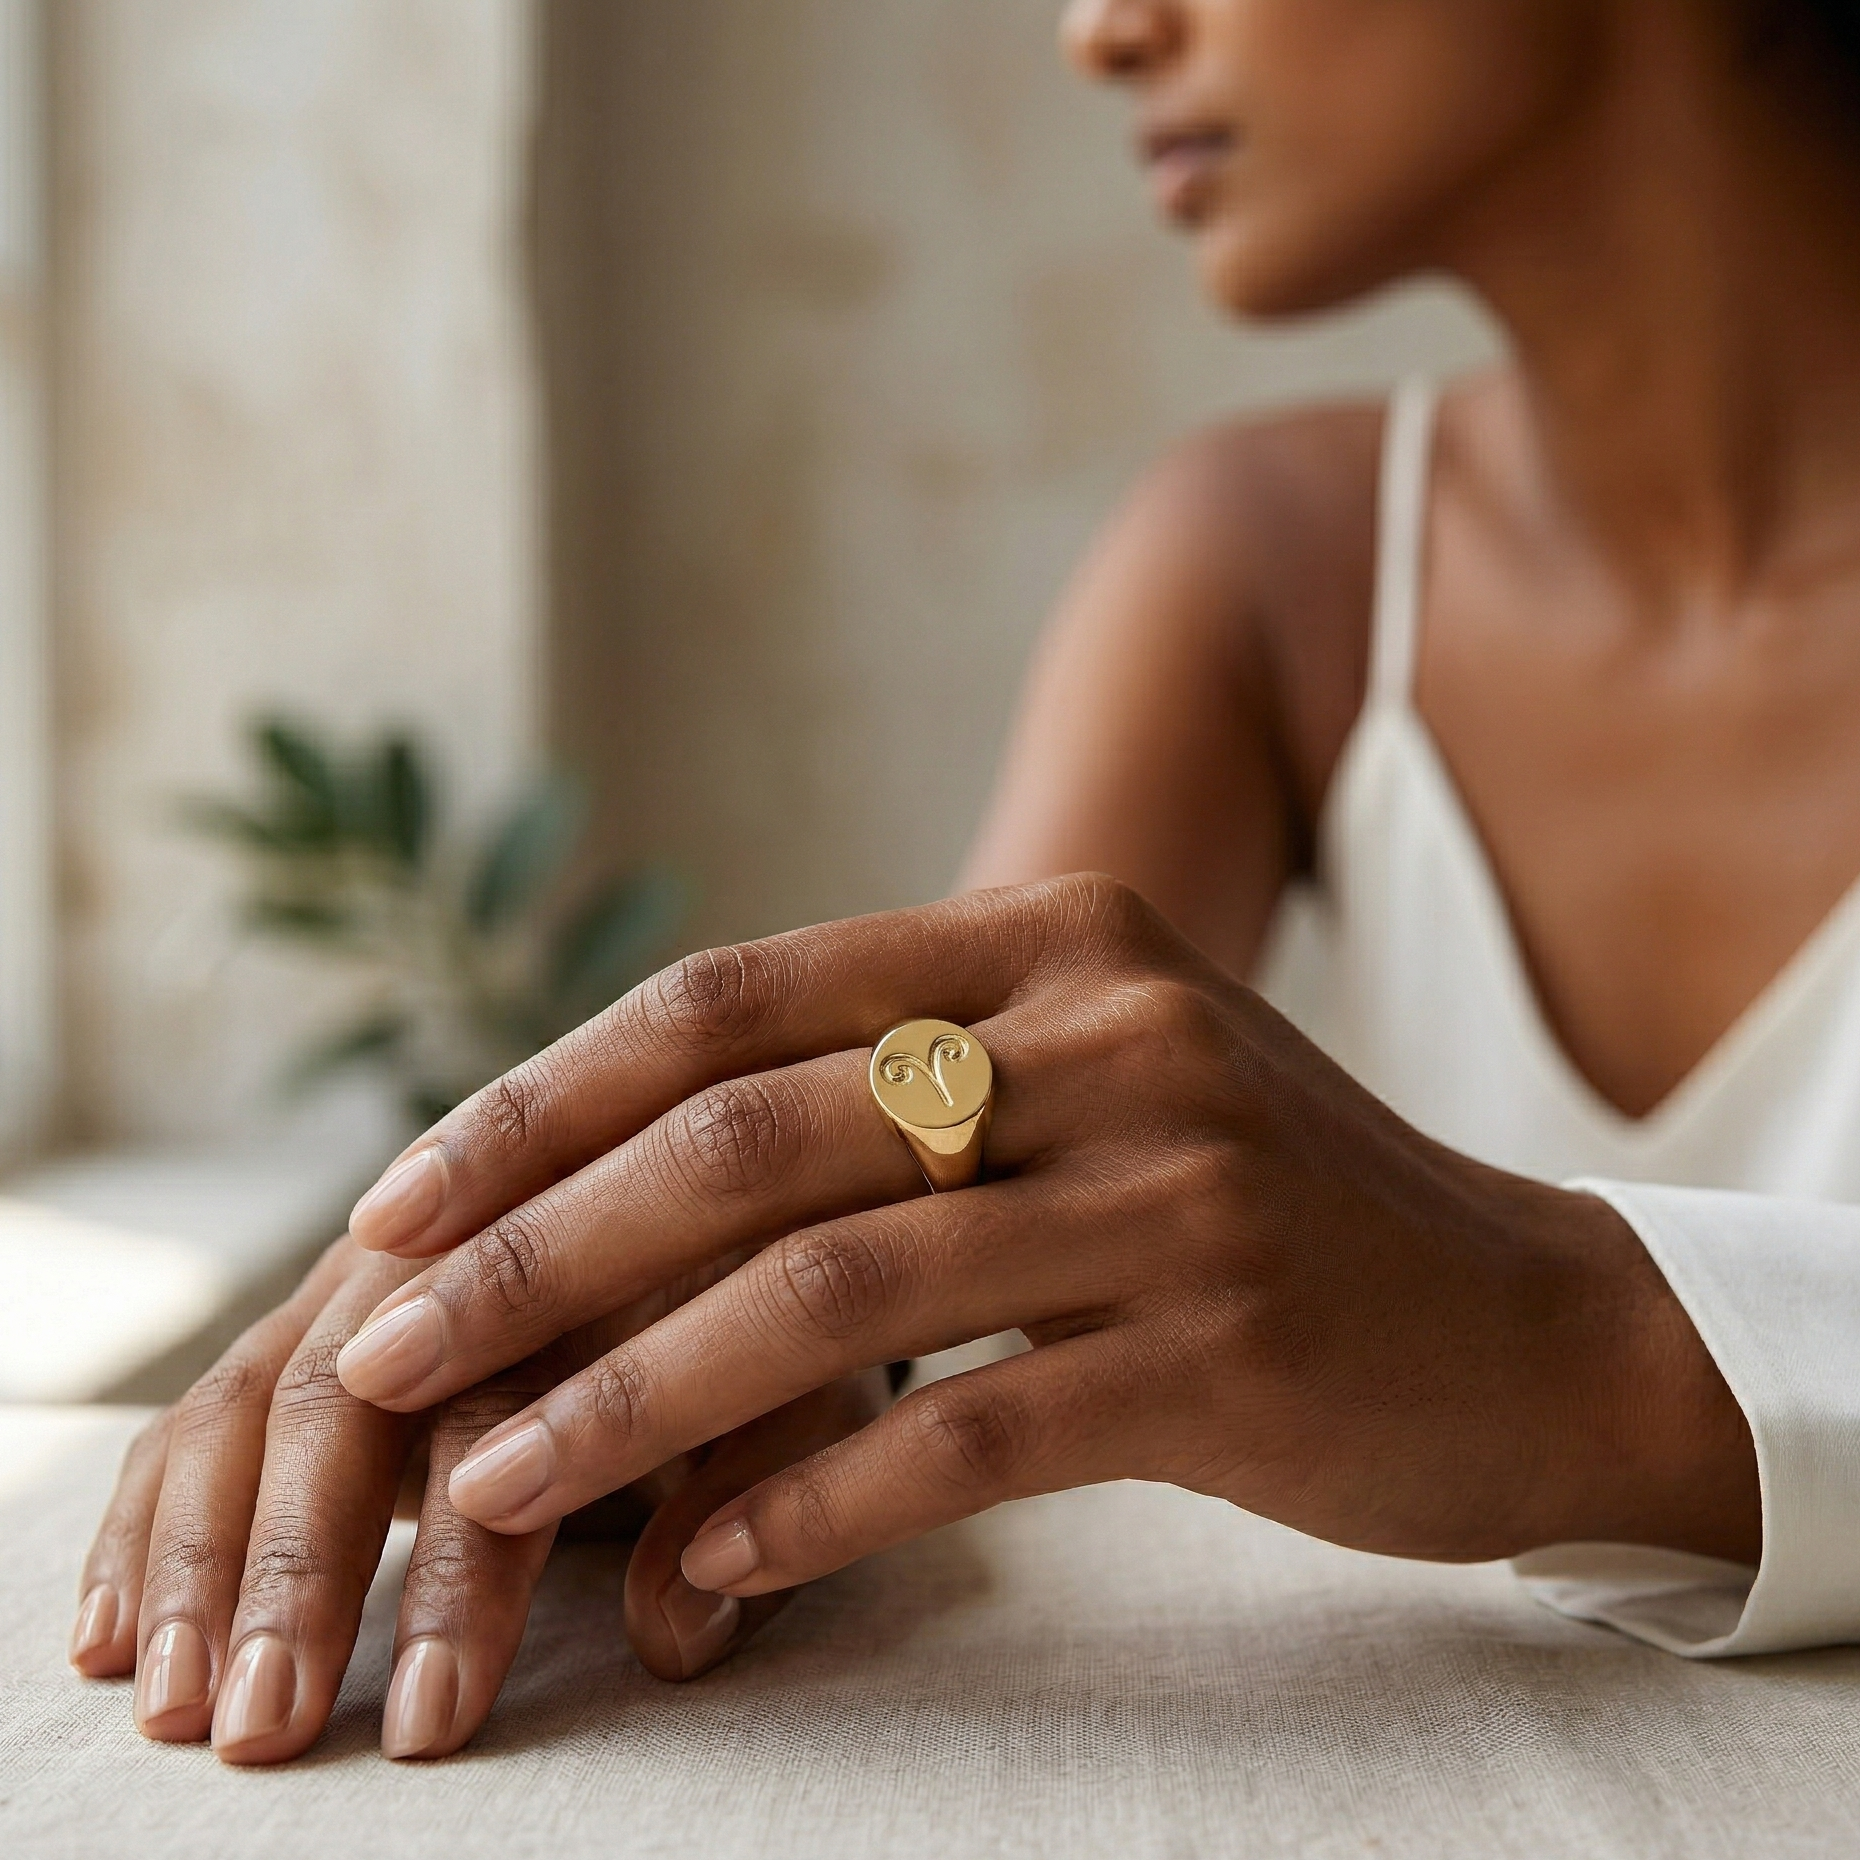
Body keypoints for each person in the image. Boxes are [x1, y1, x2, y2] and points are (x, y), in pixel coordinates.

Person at [70, 0, 1860, 1765]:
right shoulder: (1274, 559)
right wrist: (736, 1346)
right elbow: (977, 1124)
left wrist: (1554, 1340)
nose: (1100, 32)